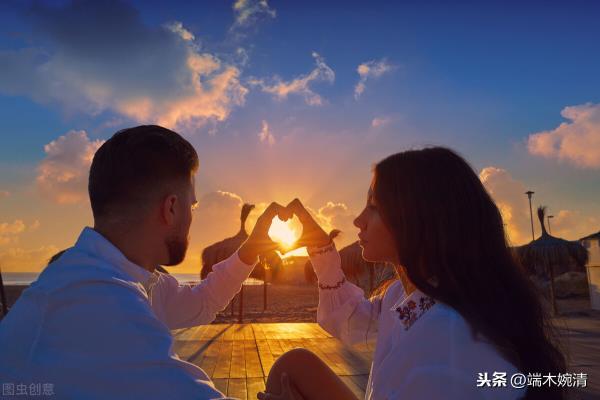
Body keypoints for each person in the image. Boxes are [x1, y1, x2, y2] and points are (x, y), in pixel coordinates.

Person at [0, 125, 291, 399]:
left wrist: (249, 250)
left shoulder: (116, 276)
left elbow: (202, 303)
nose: (192, 216)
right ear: (171, 207)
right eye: (192, 205)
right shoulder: (99, 303)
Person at [259, 147, 566, 400]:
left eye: (374, 206)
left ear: (418, 219)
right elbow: (350, 322)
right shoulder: (411, 295)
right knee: (294, 365)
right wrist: (321, 246)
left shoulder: (442, 348)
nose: (358, 220)